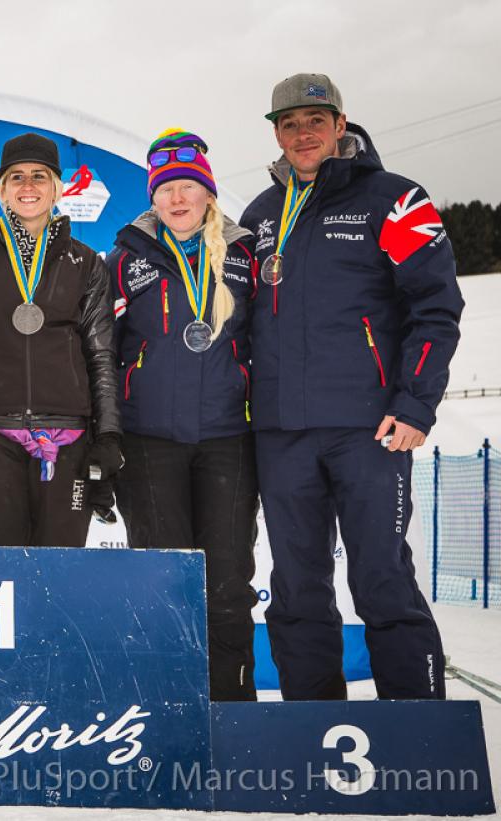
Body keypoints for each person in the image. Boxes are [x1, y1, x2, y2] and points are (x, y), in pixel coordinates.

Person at [240, 73, 463, 700]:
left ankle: (417, 727)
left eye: (316, 119)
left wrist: (416, 403)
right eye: (289, 124)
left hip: (372, 428)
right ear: (277, 135)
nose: (303, 133)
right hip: (282, 432)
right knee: (297, 586)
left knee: (382, 578)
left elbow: (435, 308)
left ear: (341, 124)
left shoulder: (394, 198)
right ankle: (312, 727)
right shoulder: (259, 215)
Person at [109, 129, 259, 701]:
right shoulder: (125, 260)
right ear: (152, 196)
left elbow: (266, 344)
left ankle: (230, 702)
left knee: (226, 581)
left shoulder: (245, 258)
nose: (177, 200)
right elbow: (103, 350)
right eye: (166, 189)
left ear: (208, 194)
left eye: (188, 188)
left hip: (228, 438)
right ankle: (165, 701)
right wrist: (109, 434)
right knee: (161, 580)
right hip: (149, 442)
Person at [0, 133, 121, 546]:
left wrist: (107, 436)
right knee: (1, 563)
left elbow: (101, 355)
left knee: (61, 568)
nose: (28, 186)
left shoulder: (87, 263)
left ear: (57, 188)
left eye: (40, 176)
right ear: (1, 190)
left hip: (68, 435)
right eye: (16, 177)